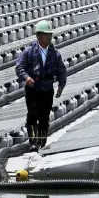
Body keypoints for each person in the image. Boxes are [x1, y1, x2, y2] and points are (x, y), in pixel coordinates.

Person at [15, 20, 67, 152]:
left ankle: (42, 141)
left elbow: (61, 71)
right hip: (33, 90)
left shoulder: (55, 53)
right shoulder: (29, 52)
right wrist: (26, 78)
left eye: (50, 34)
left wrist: (61, 86)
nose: (49, 37)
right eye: (46, 34)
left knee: (44, 117)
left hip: (47, 90)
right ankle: (33, 142)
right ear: (39, 36)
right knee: (32, 116)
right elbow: (19, 67)